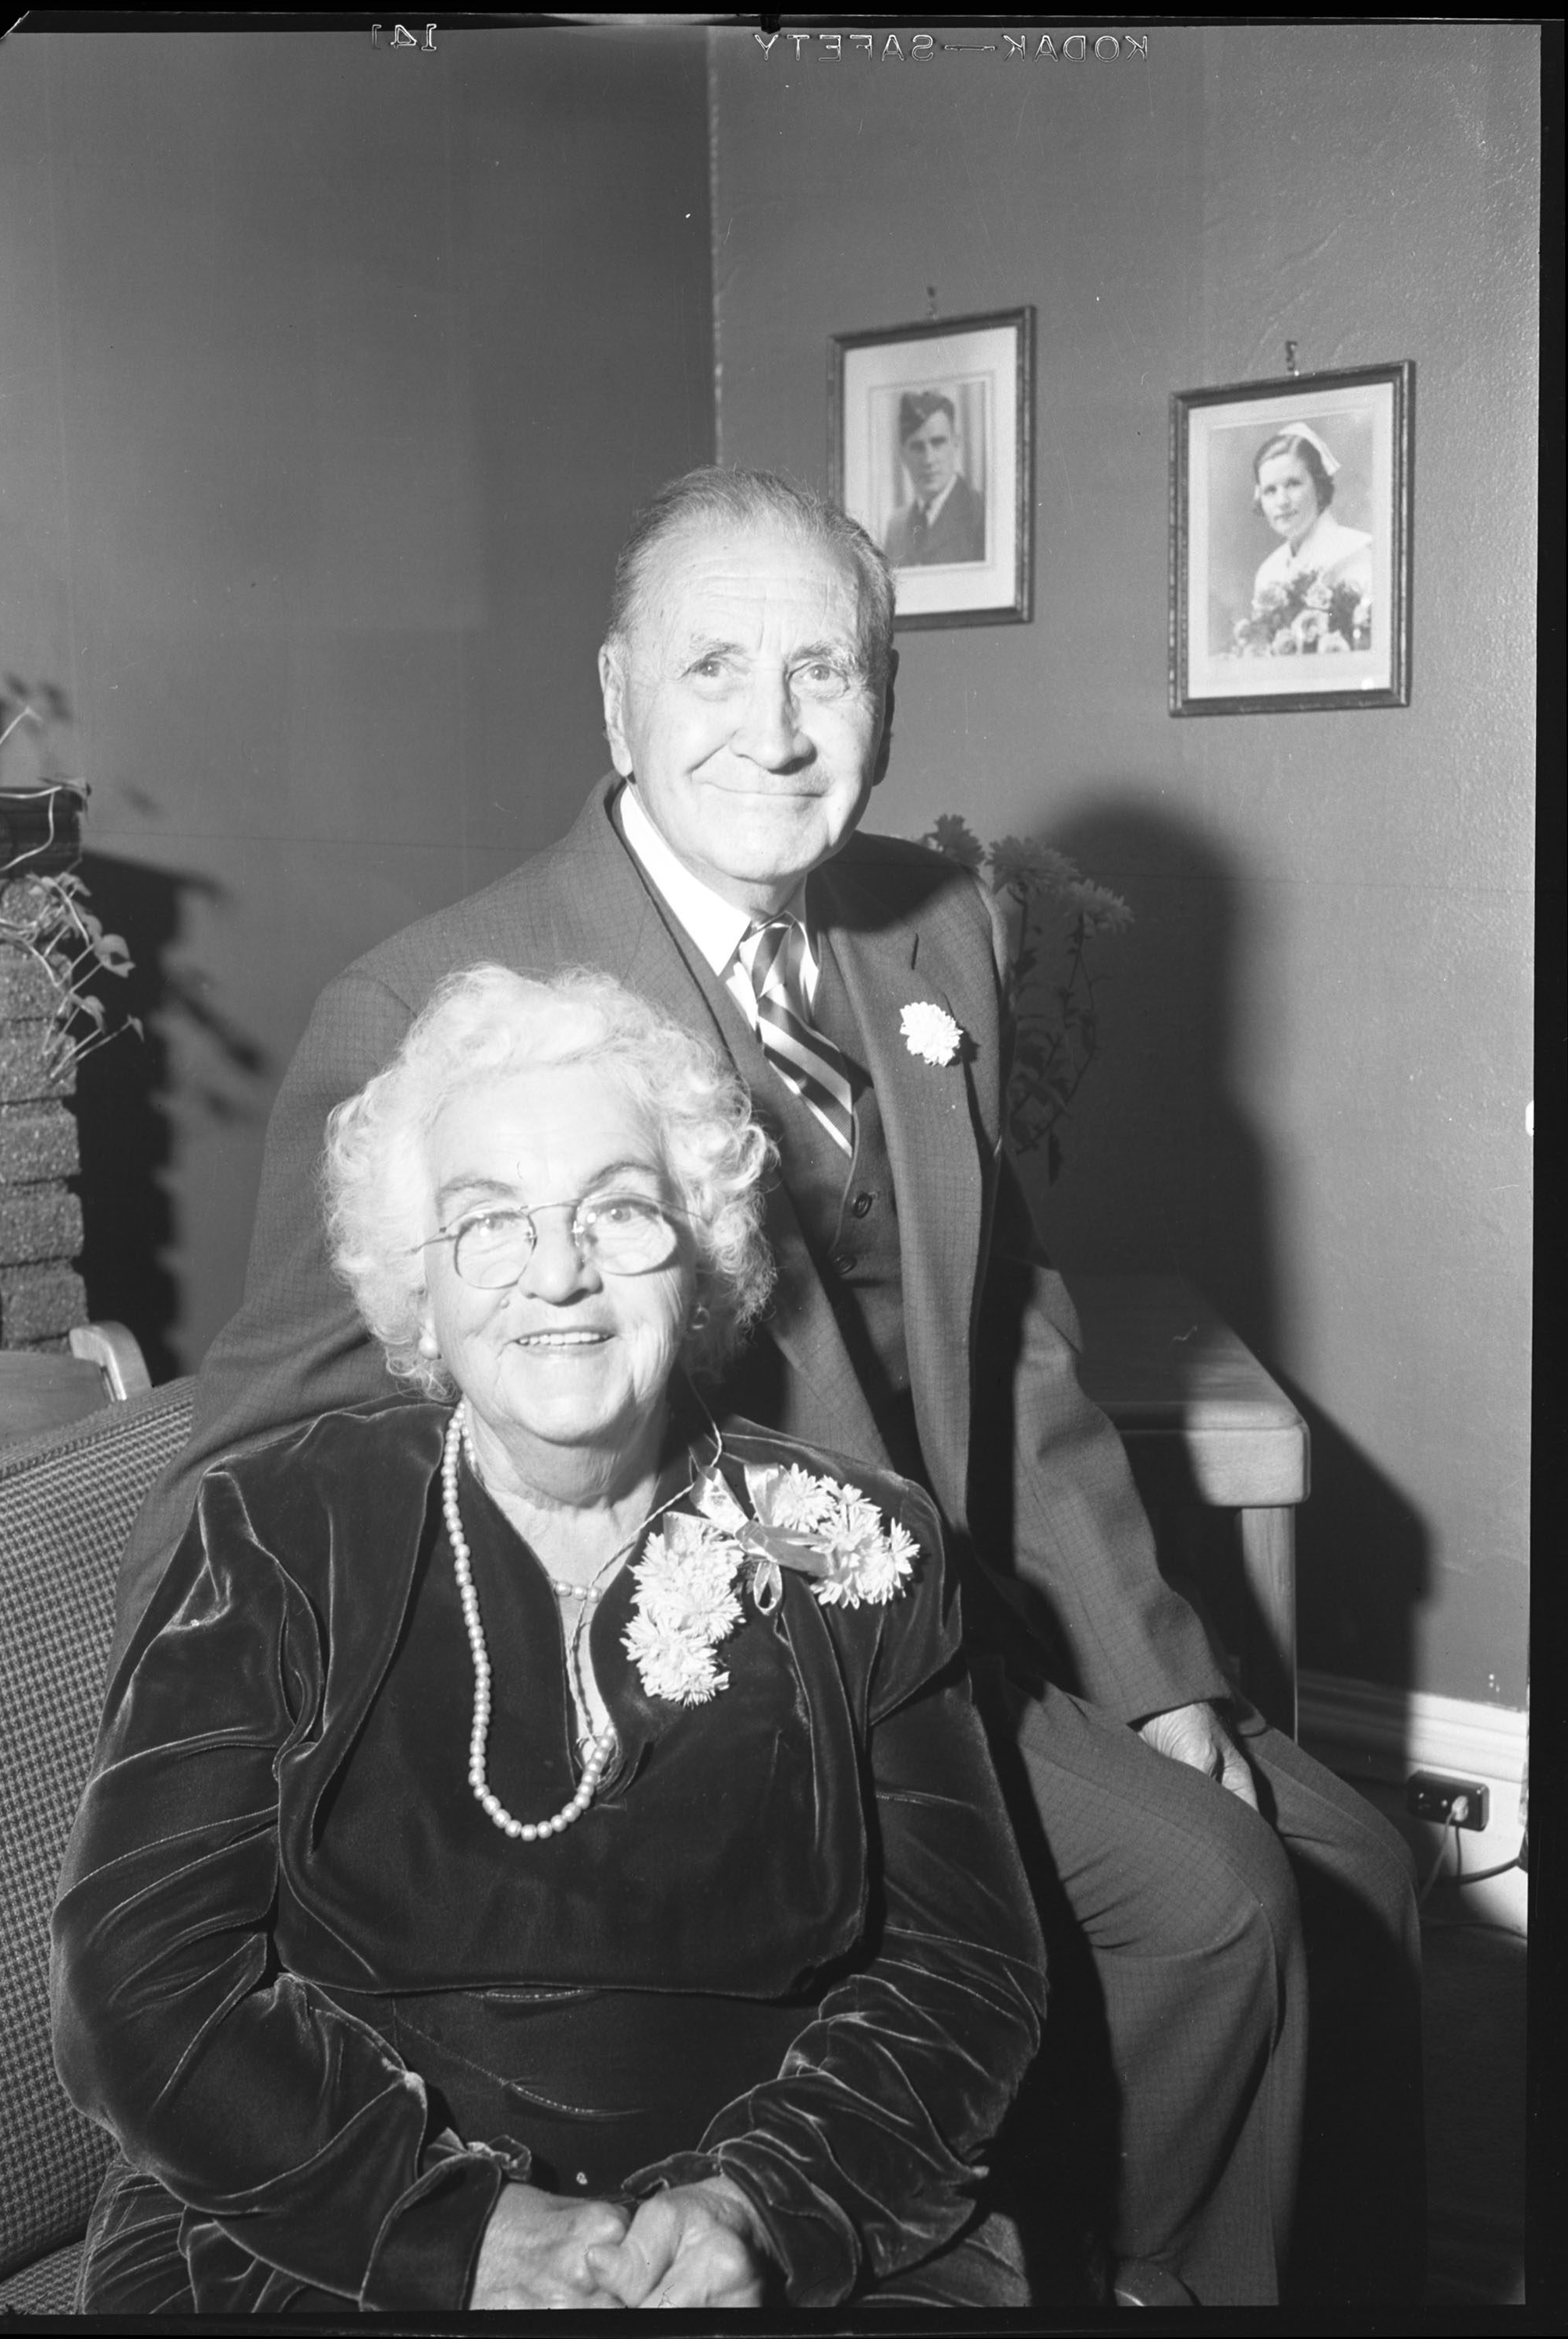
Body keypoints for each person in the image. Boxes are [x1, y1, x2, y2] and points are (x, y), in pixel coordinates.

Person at [108, 466, 1423, 2306]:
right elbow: (265, 1458)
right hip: (750, 1670)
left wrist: (1157, 1665)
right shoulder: (432, 1008)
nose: (776, 726)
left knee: (1359, 1870)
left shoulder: (931, 934)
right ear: (615, 698)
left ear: (886, 698)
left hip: (977, 1592)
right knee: (1219, 1903)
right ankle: (1127, 2274)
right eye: (713, 666)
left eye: (825, 669)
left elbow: (1008, 1321)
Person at [54, 965, 1046, 2314]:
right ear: (418, 1285)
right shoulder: (278, 1529)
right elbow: (137, 1977)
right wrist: (451, 2232)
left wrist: (755, 2207)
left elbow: (966, 1972)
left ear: (700, 1254)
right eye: (488, 1223)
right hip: (328, 2210)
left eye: (618, 1210)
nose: (559, 1273)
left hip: (761, 2208)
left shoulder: (845, 1542)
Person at [1251, 423, 1373, 603]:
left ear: (1318, 486)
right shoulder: (1269, 572)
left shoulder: (1355, 556)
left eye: (1293, 484)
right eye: (1270, 490)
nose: (1282, 501)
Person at [882, 389, 986, 567]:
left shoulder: (983, 513)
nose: (929, 460)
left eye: (938, 443)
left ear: (956, 443)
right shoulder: (896, 527)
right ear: (903, 455)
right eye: (917, 447)